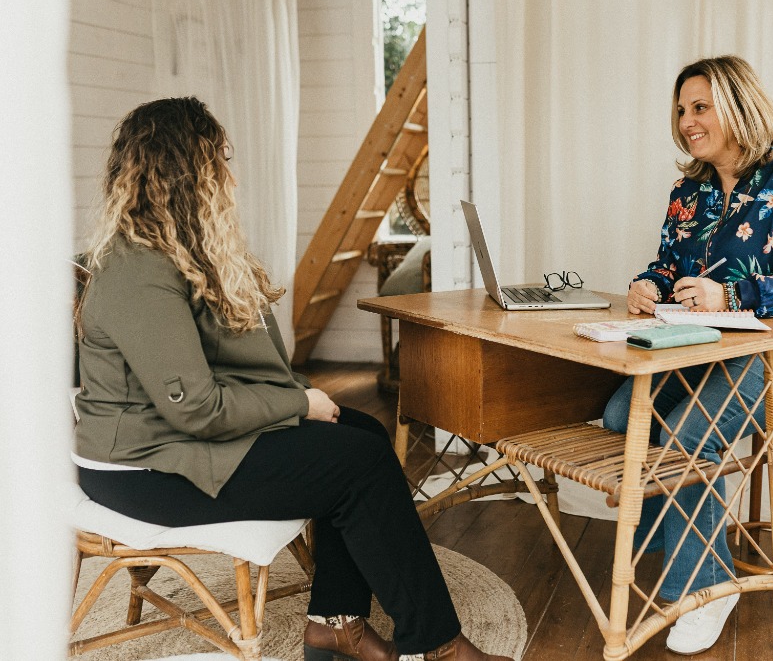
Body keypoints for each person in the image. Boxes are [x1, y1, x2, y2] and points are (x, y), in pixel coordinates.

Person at [73, 97, 510, 661]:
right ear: (186, 174)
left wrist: (298, 401)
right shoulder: (138, 270)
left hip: (172, 441)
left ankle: (335, 624)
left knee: (366, 437)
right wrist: (297, 407)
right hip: (144, 469)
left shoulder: (172, 253)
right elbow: (197, 409)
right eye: (219, 161)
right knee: (356, 464)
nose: (230, 176)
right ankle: (441, 646)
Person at [602, 55, 773, 655]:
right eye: (682, 110)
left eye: (700, 107)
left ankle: (709, 586)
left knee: (688, 429)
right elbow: (666, 264)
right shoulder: (690, 190)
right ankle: (681, 536)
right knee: (616, 417)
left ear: (738, 105)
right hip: (698, 346)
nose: (687, 121)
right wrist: (650, 286)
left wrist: (730, 293)